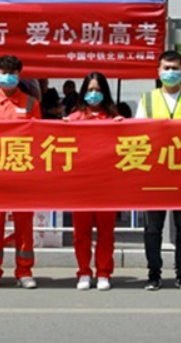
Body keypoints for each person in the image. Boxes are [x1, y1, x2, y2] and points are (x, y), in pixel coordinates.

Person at [135, 50, 181, 291]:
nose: (170, 72)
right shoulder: (147, 100)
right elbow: (136, 136)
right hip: (155, 174)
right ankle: (154, 274)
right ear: (158, 71)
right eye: (166, 68)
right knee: (152, 228)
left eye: (175, 68)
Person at [0, 55, 41, 289]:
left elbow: (39, 138)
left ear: (19, 75)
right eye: (3, 72)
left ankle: (24, 271)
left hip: (22, 174)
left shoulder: (31, 104)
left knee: (24, 226)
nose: (8, 76)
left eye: (12, 72)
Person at [65, 72, 120, 291]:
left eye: (97, 90)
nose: (93, 94)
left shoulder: (114, 118)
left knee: (106, 232)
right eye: (90, 90)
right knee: (81, 233)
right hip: (81, 185)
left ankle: (104, 272)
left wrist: (122, 126)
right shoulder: (74, 118)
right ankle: (84, 272)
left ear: (104, 92)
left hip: (107, 185)